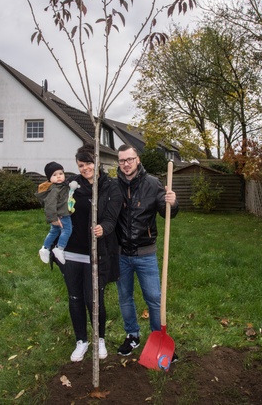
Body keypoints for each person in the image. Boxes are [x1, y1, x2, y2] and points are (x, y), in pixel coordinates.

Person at [53, 144, 123, 363]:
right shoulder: (71, 185)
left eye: (89, 163)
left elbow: (112, 217)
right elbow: (53, 201)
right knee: (75, 297)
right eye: (81, 165)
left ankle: (99, 338)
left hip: (97, 253)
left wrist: (104, 228)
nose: (85, 168)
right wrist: (53, 217)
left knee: (94, 299)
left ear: (97, 162)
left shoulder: (110, 186)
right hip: (72, 252)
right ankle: (81, 341)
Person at [115, 144, 179, 356]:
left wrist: (172, 202)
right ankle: (132, 335)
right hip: (121, 253)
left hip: (145, 254)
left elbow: (167, 212)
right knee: (125, 297)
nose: (126, 164)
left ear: (138, 159)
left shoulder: (152, 184)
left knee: (153, 298)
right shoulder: (114, 186)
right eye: (122, 160)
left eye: (130, 159)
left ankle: (156, 337)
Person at [36, 161, 79, 265]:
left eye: (61, 173)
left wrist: (74, 187)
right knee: (67, 230)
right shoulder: (54, 189)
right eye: (54, 175)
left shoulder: (61, 186)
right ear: (49, 178)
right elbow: (50, 205)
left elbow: (68, 191)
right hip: (61, 215)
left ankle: (45, 248)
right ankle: (59, 248)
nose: (58, 177)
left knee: (54, 232)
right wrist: (53, 218)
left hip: (59, 214)